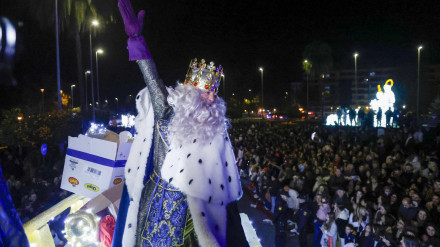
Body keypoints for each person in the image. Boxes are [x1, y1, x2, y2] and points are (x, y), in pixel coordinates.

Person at [112, 1, 247, 246]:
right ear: (190, 93)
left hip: (197, 217)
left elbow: (224, 188)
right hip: (157, 207)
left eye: (214, 93)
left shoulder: (215, 131)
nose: (212, 98)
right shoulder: (166, 112)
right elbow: (152, 78)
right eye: (206, 92)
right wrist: (137, 40)